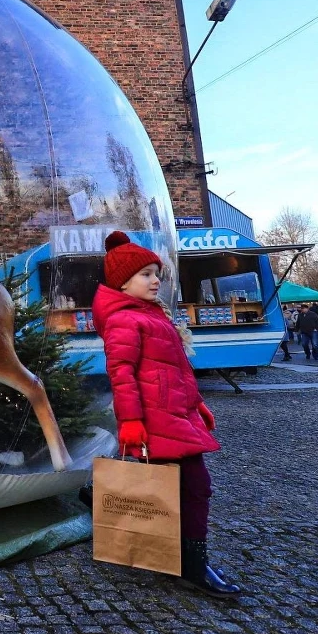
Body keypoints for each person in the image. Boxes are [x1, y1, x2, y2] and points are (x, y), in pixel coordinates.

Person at [92, 231, 240, 599]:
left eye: (155, 272)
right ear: (122, 282)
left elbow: (175, 370)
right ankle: (192, 564)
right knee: (194, 486)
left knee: (182, 487)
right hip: (155, 419)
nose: (155, 279)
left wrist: (197, 404)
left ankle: (179, 557)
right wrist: (129, 422)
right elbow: (121, 374)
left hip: (173, 414)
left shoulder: (150, 314)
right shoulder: (125, 320)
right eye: (145, 273)